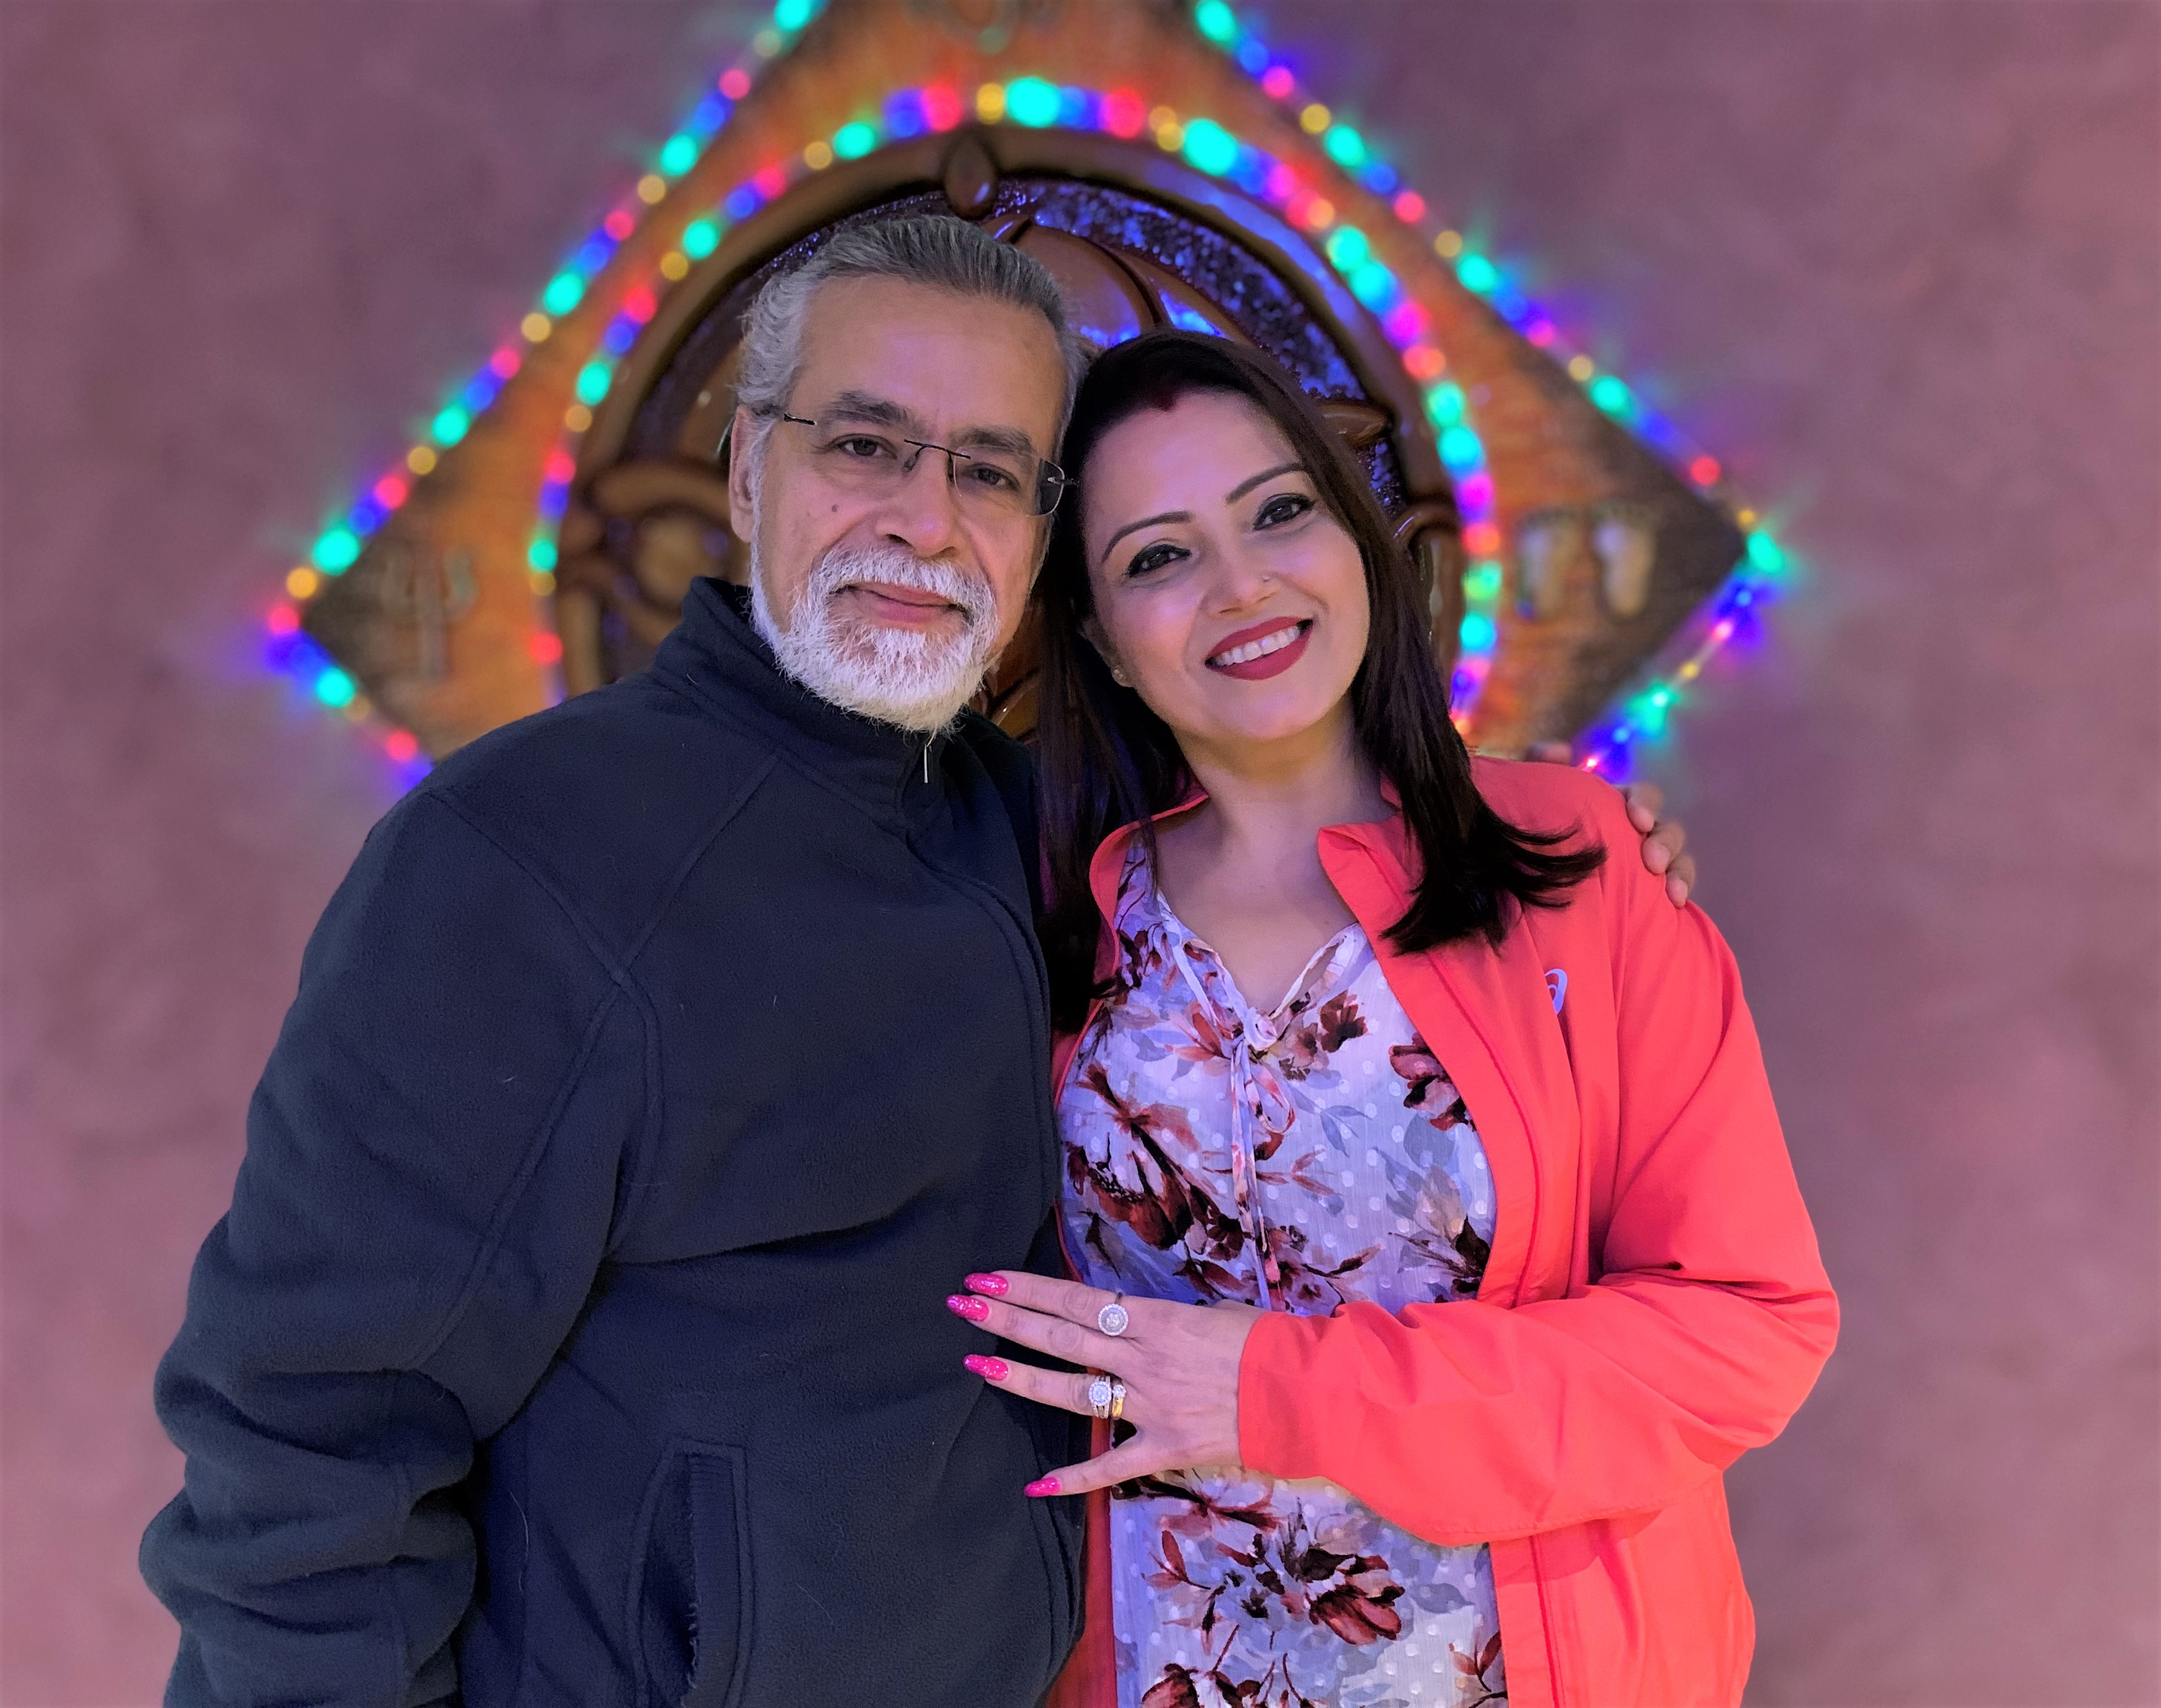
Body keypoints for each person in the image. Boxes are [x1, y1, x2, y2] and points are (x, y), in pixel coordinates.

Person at [143, 217, 1694, 1707]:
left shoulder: (1054, 841)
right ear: (751, 466)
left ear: (1040, 548)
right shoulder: (520, 860)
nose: (925, 518)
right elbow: (307, 1437)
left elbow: (1290, 796)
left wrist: (1548, 836)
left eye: (992, 473)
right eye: (865, 445)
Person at [948, 331, 1838, 1708]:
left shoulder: (1581, 870)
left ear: (1358, 538)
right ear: (1100, 642)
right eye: (1157, 556)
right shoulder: (1035, 926)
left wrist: (1281, 1392)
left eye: (1278, 510)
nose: (1242, 585)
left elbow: (1742, 1334)